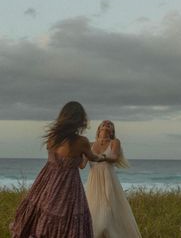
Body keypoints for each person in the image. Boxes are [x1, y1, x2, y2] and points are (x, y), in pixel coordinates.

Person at [10, 101, 105, 238]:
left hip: (46, 181)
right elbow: (92, 158)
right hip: (67, 185)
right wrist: (103, 156)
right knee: (67, 216)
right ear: (80, 120)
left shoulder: (52, 137)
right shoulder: (82, 141)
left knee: (42, 211)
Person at [81, 120, 142, 238]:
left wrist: (100, 157)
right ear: (99, 129)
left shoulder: (114, 142)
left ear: (112, 131)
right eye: (104, 123)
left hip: (108, 180)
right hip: (94, 181)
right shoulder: (89, 144)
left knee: (107, 214)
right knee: (93, 212)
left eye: (110, 124)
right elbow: (82, 165)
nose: (107, 125)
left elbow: (114, 156)